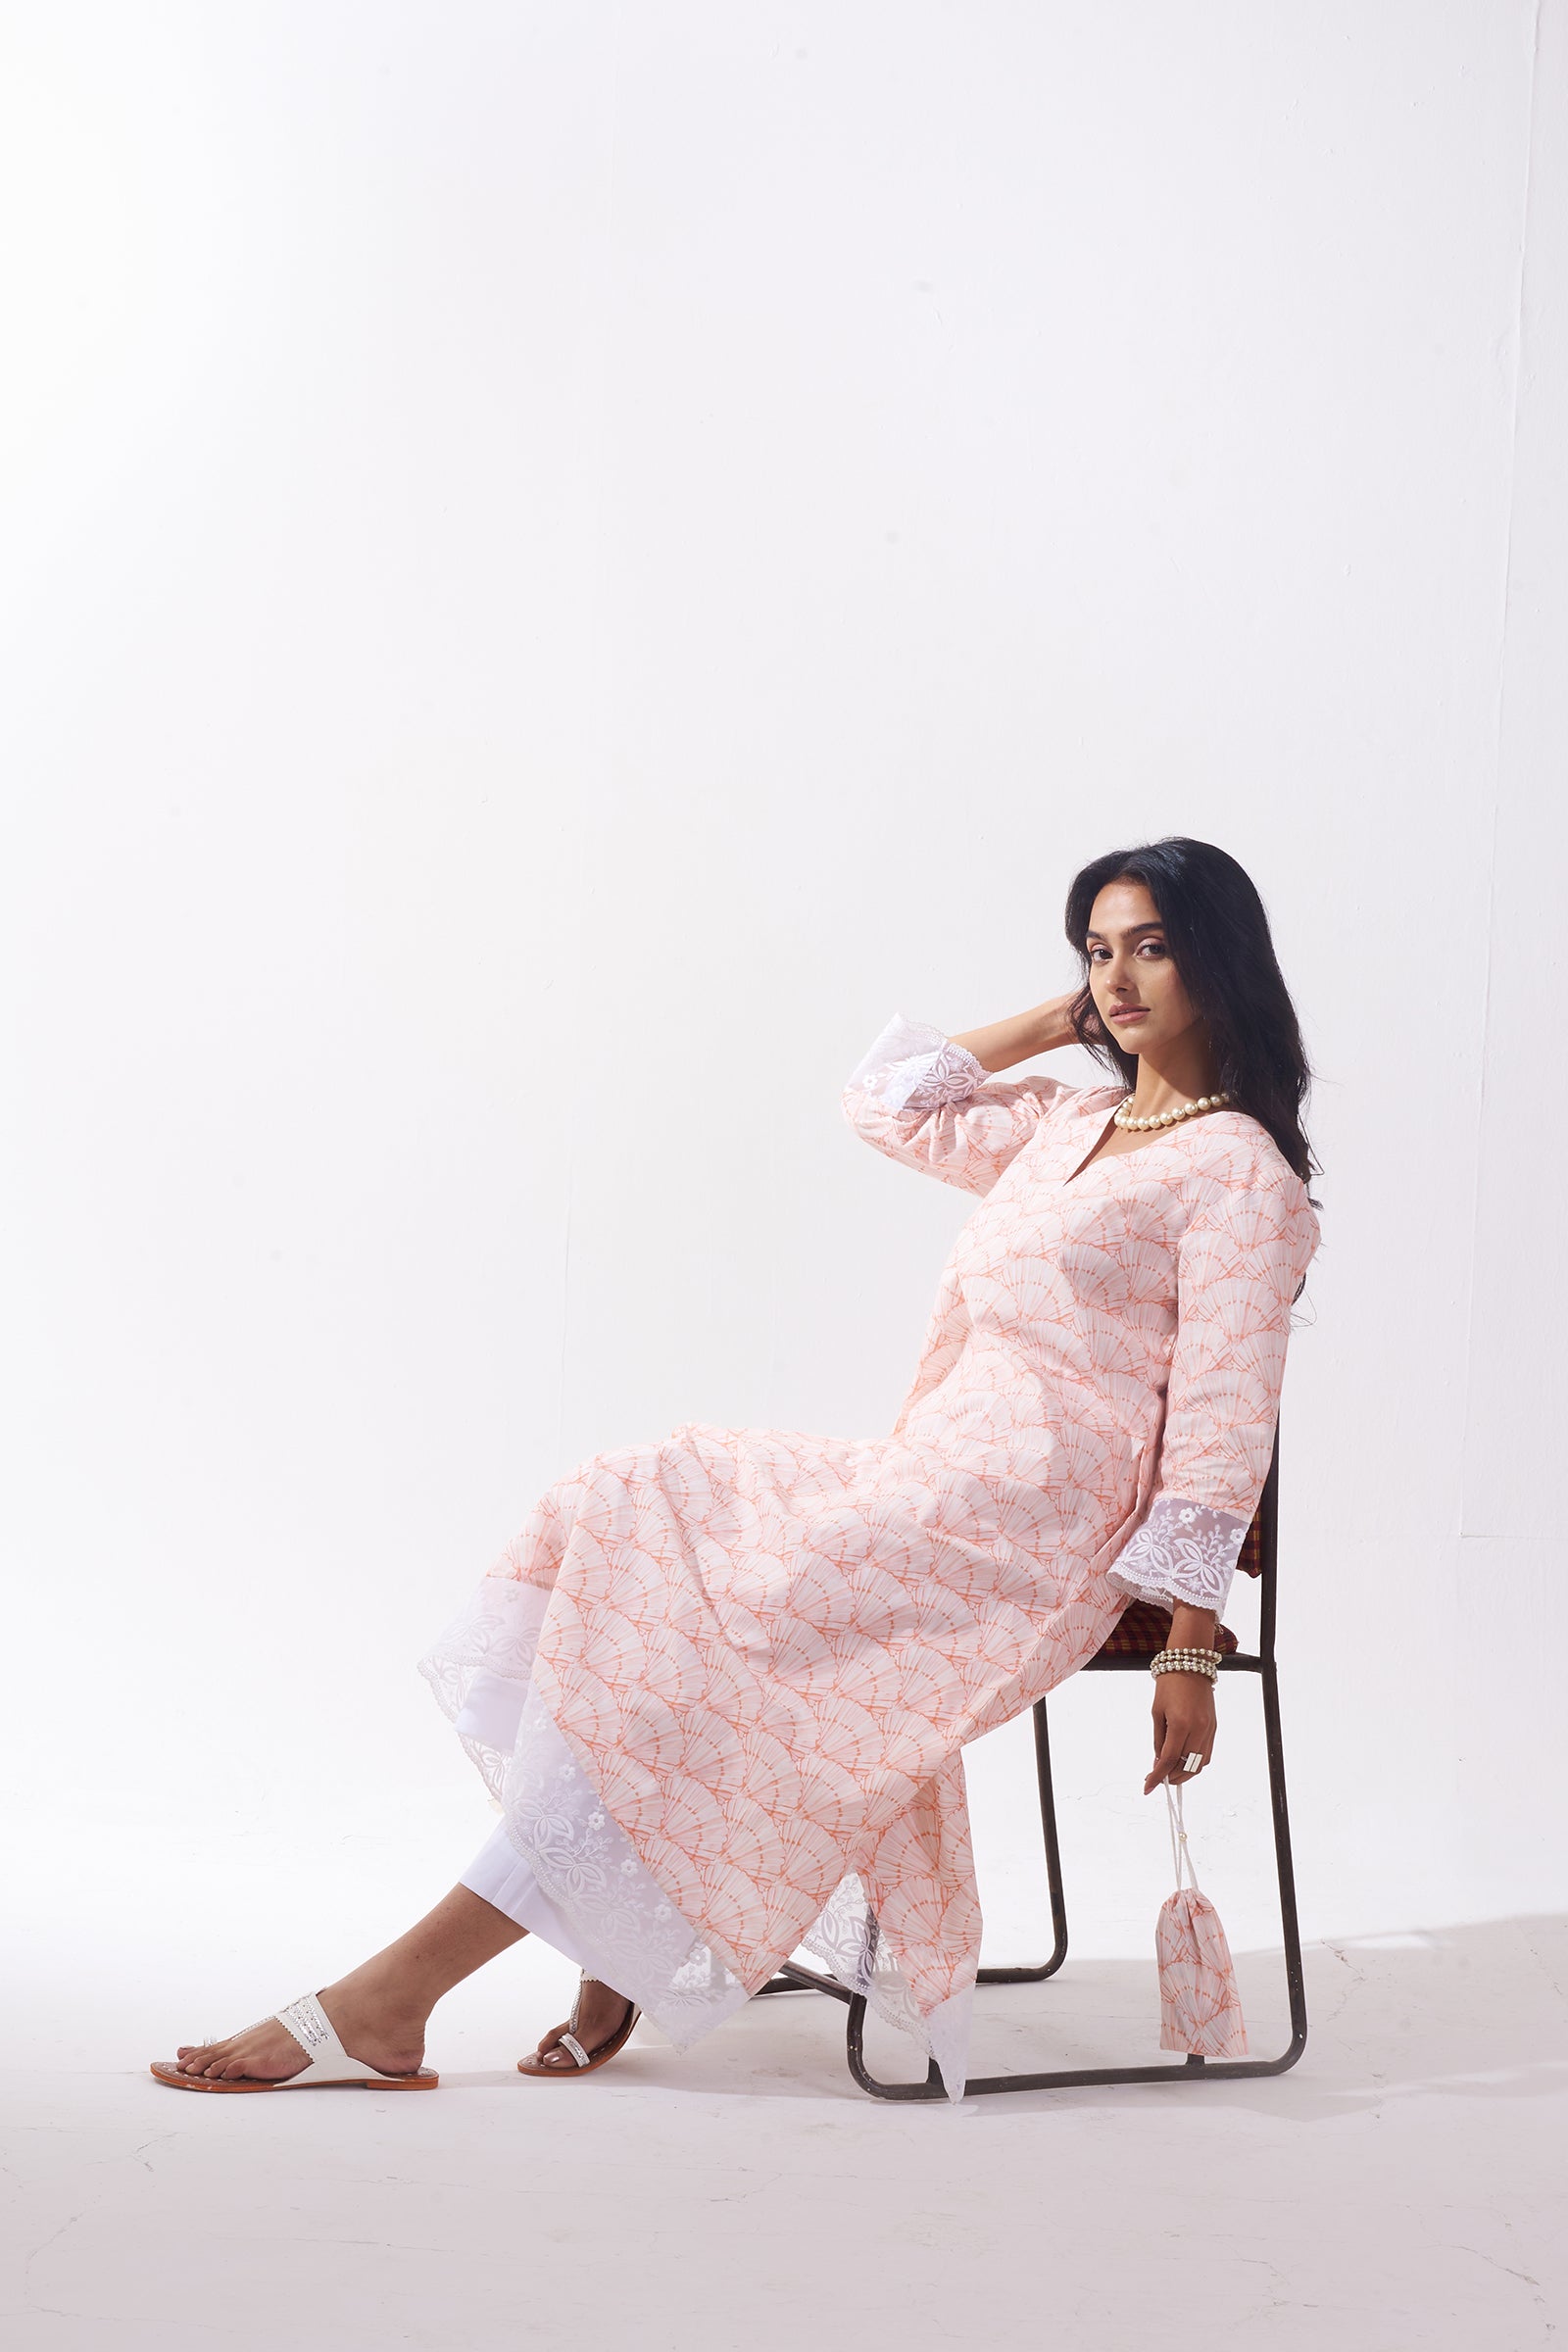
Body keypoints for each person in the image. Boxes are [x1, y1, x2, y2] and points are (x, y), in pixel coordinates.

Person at [152, 835, 1320, 2101]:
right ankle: (597, 1932)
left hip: (1035, 1533)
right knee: (639, 1497)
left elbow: (1224, 1420)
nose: (1118, 978)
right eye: (1096, 951)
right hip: (928, 1476)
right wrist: (1064, 1020)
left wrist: (1191, 1644)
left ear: (1219, 960)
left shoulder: (1239, 1177)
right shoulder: (1065, 1125)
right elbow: (885, 1098)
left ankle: (400, 1992)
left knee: (728, 1622)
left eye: (1152, 949)